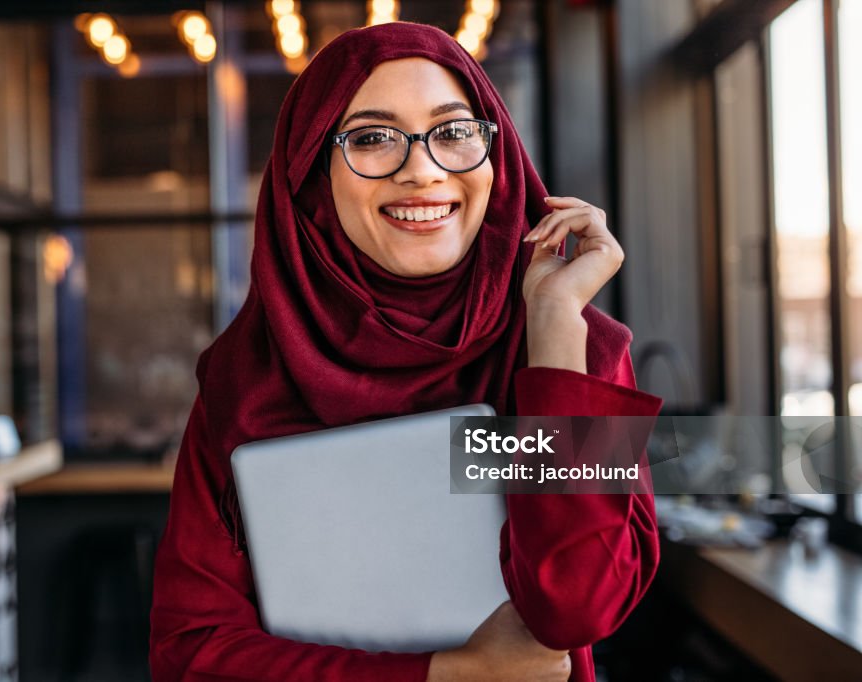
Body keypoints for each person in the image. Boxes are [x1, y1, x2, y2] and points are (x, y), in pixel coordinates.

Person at [150, 21, 662, 682]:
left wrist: (556, 327)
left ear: (495, 160)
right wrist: (449, 673)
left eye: (454, 132)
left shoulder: (578, 358)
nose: (421, 170)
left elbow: (578, 608)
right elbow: (190, 655)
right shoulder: (243, 380)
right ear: (311, 178)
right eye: (370, 138)